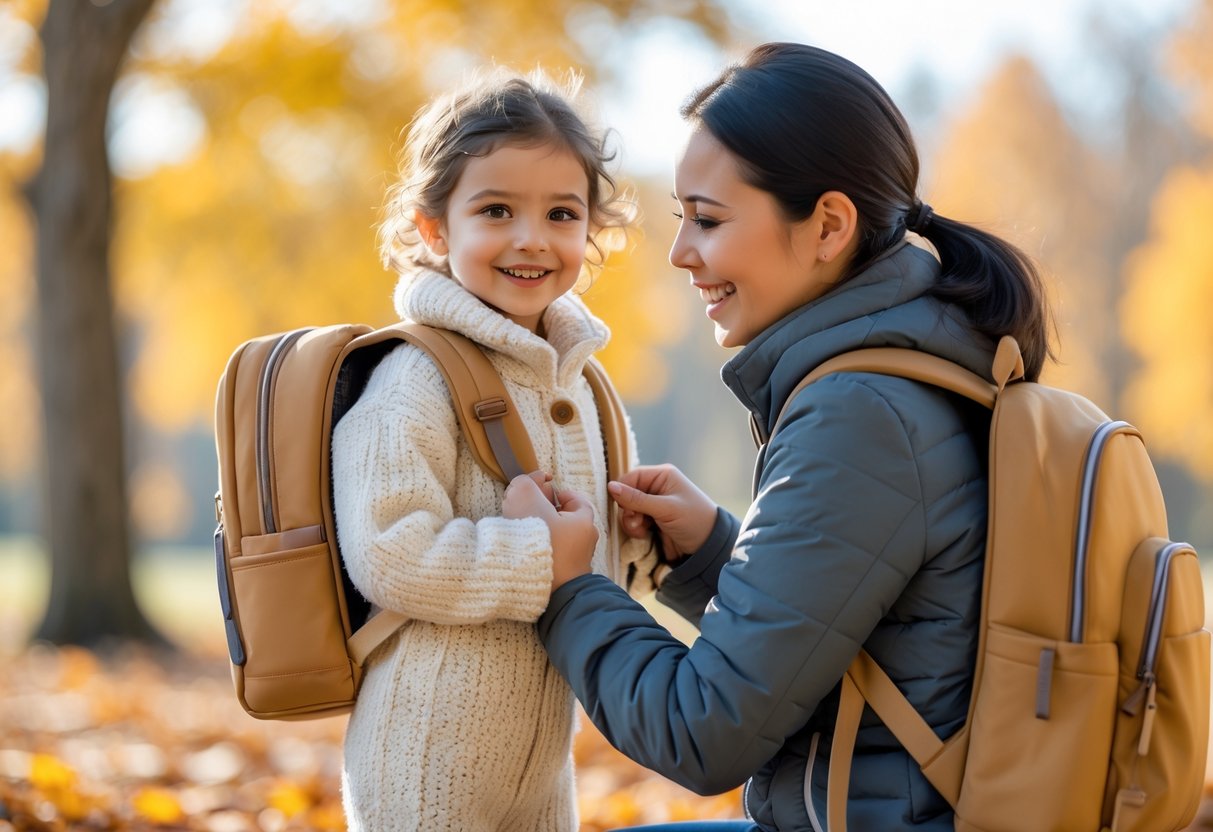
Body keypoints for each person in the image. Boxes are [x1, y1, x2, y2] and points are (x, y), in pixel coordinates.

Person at [527, 42, 1053, 831]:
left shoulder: (861, 414)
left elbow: (701, 733)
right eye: (680, 218)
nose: (680, 253)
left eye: (707, 219)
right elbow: (873, 633)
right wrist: (710, 551)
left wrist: (567, 586)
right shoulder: (928, 368)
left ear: (828, 226)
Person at [330, 68, 658, 832]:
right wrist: (534, 556)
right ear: (435, 230)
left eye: (561, 213)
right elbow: (387, 550)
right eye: (496, 210)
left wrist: (644, 543)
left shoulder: (581, 382)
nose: (531, 238)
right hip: (424, 757)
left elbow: (588, 567)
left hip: (539, 766)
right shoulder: (417, 375)